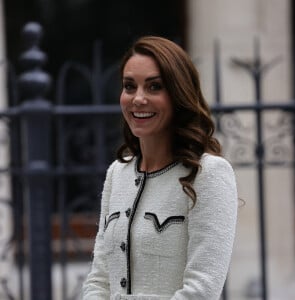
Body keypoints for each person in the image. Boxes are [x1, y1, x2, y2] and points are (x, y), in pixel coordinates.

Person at [82, 36, 238, 300]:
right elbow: (99, 279)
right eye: (129, 86)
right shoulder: (116, 174)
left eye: (154, 87)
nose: (138, 98)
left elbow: (202, 290)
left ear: (178, 95)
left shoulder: (209, 174)